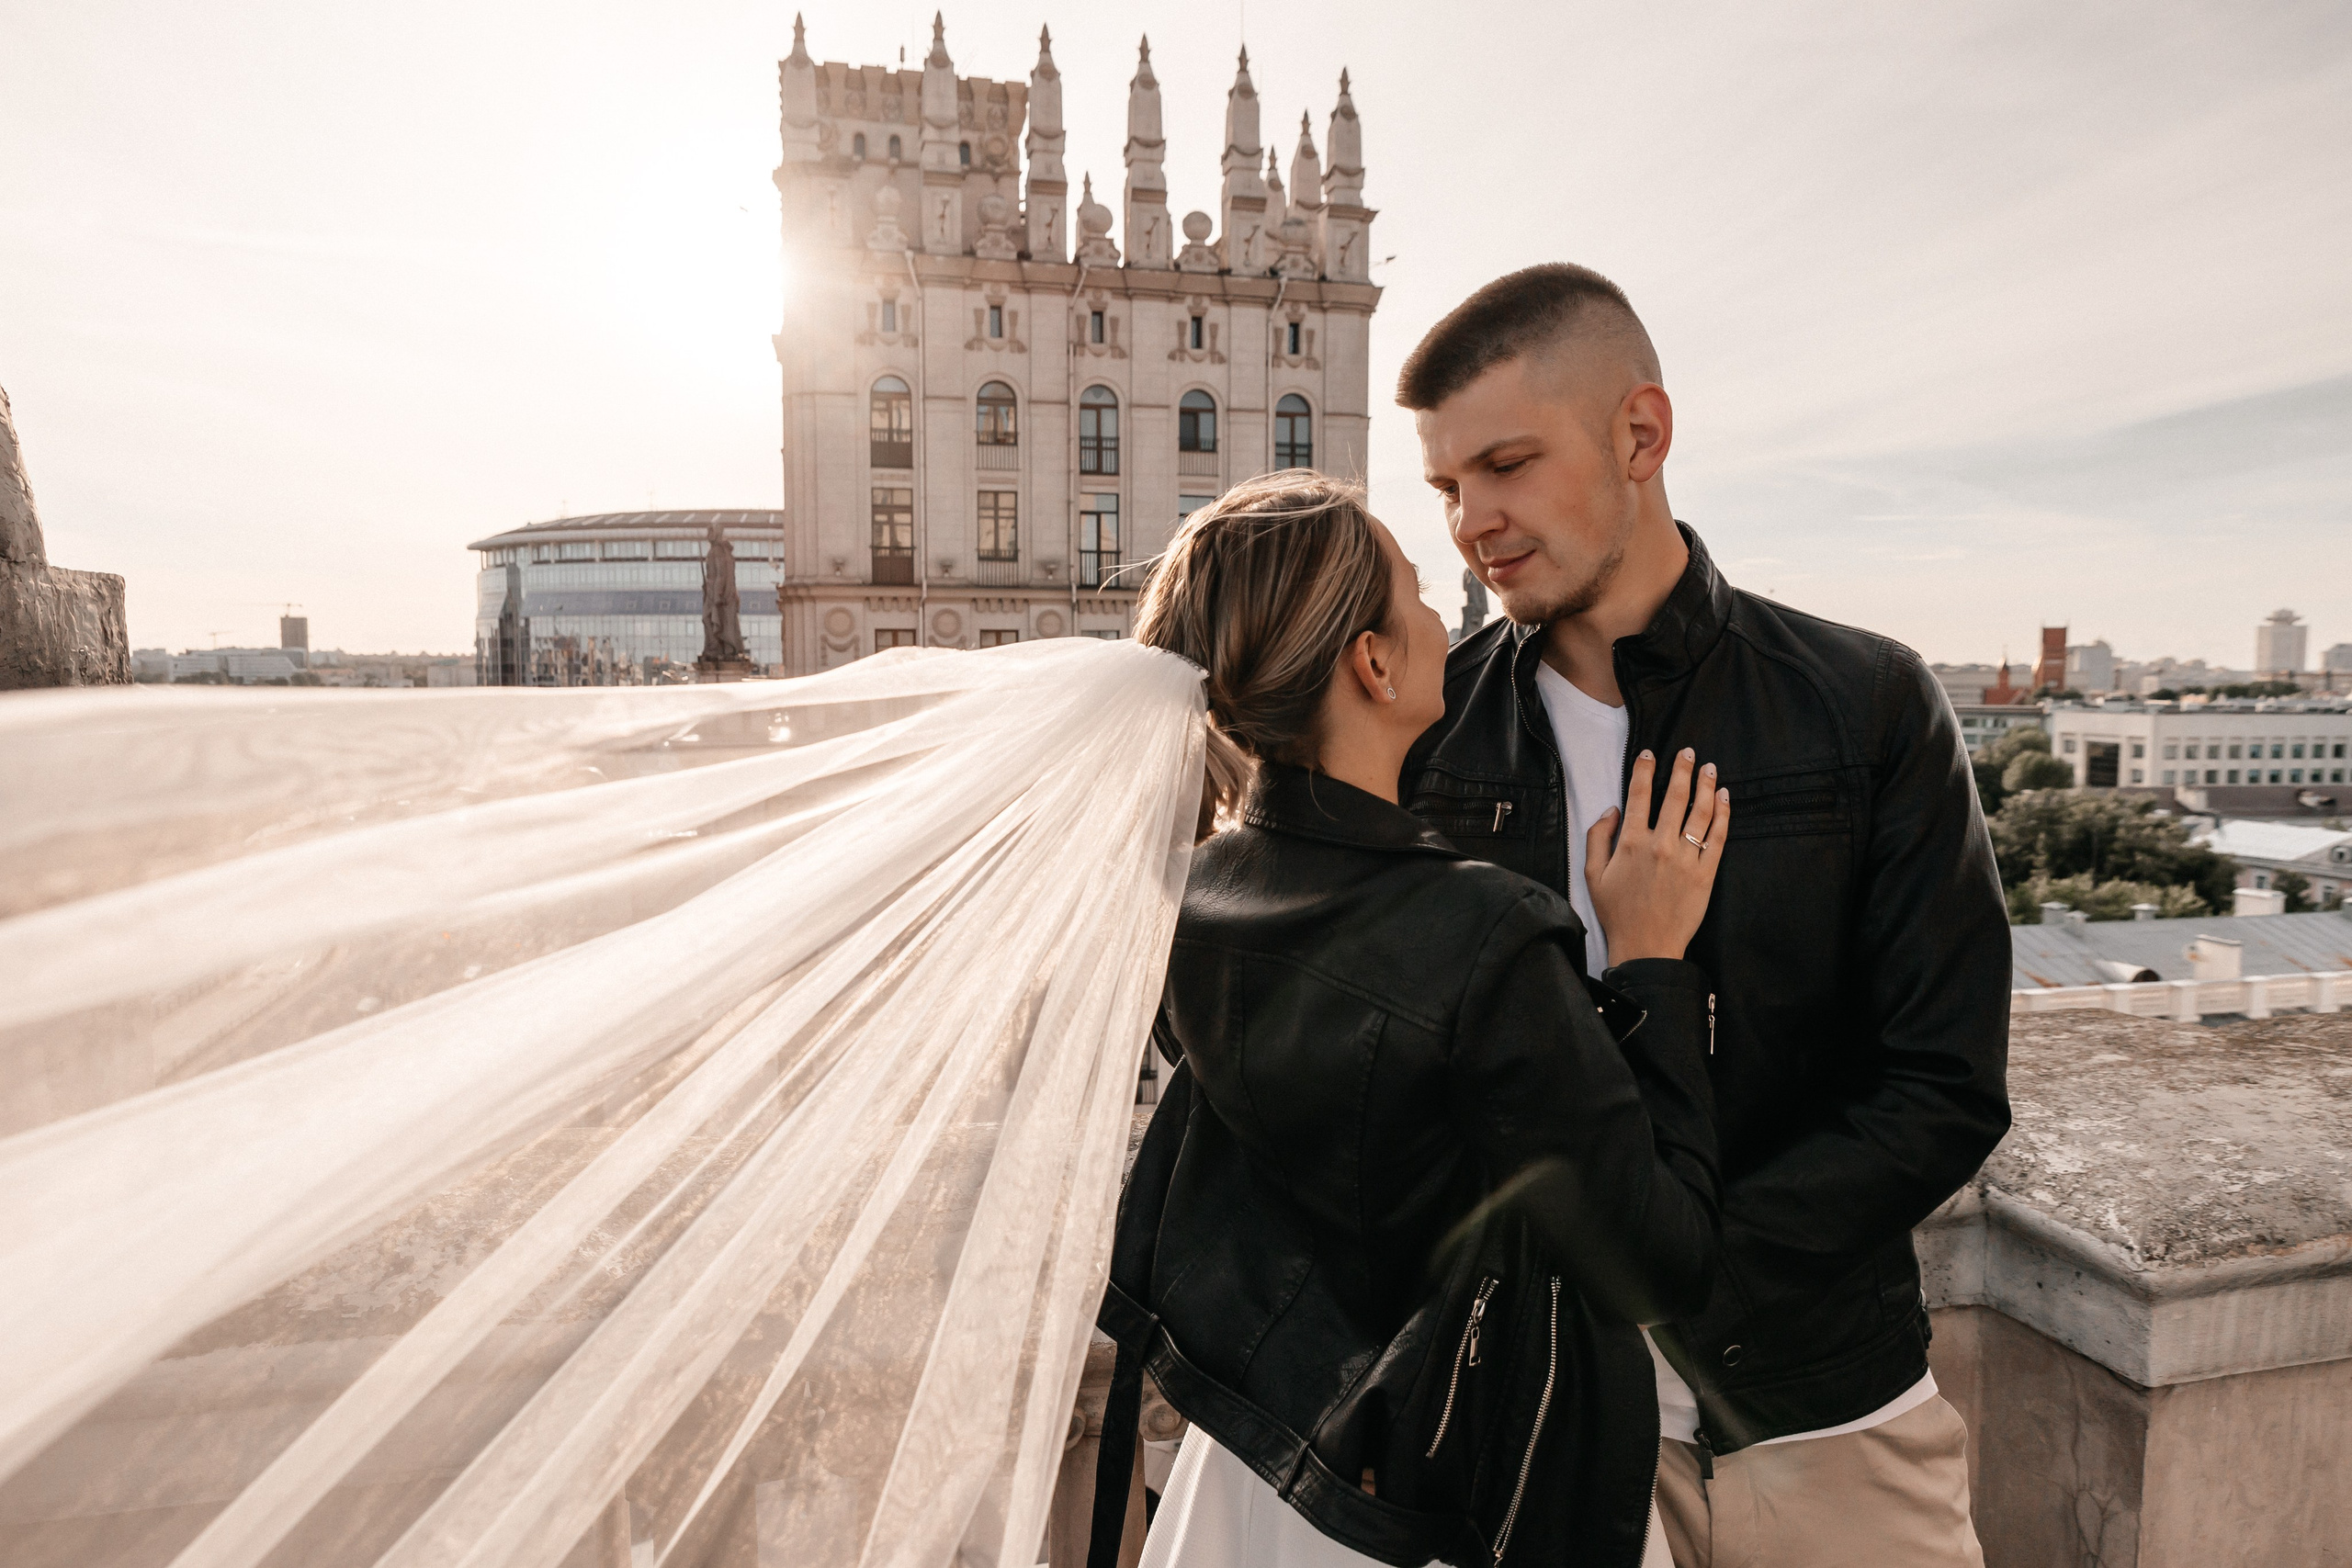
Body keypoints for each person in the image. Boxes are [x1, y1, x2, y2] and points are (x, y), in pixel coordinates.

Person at [1396, 264, 2012, 1567]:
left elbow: (1942, 1085)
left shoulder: (1867, 703)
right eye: (1449, 486)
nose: (1473, 520)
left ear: (1640, 435)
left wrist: (1674, 1273)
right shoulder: (1423, 735)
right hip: (1533, 1438)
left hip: (1826, 1424)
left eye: (1507, 463)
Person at [1091, 471, 1731, 1568]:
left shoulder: (1190, 898)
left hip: (1255, 1471)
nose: (1447, 615)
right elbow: (1656, 1265)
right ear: (1373, 663)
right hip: (1437, 1503)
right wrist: (1654, 962)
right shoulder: (1483, 934)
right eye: (1419, 594)